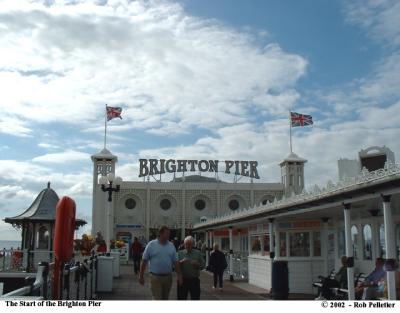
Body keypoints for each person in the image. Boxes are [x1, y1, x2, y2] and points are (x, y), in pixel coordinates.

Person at [139, 226, 183, 300]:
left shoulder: (171, 246)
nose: (169, 235)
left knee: (165, 298)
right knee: (157, 298)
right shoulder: (151, 245)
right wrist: (141, 276)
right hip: (155, 277)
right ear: (160, 233)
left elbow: (175, 262)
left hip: (168, 278)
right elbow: (144, 261)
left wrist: (179, 275)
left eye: (169, 233)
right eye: (167, 233)